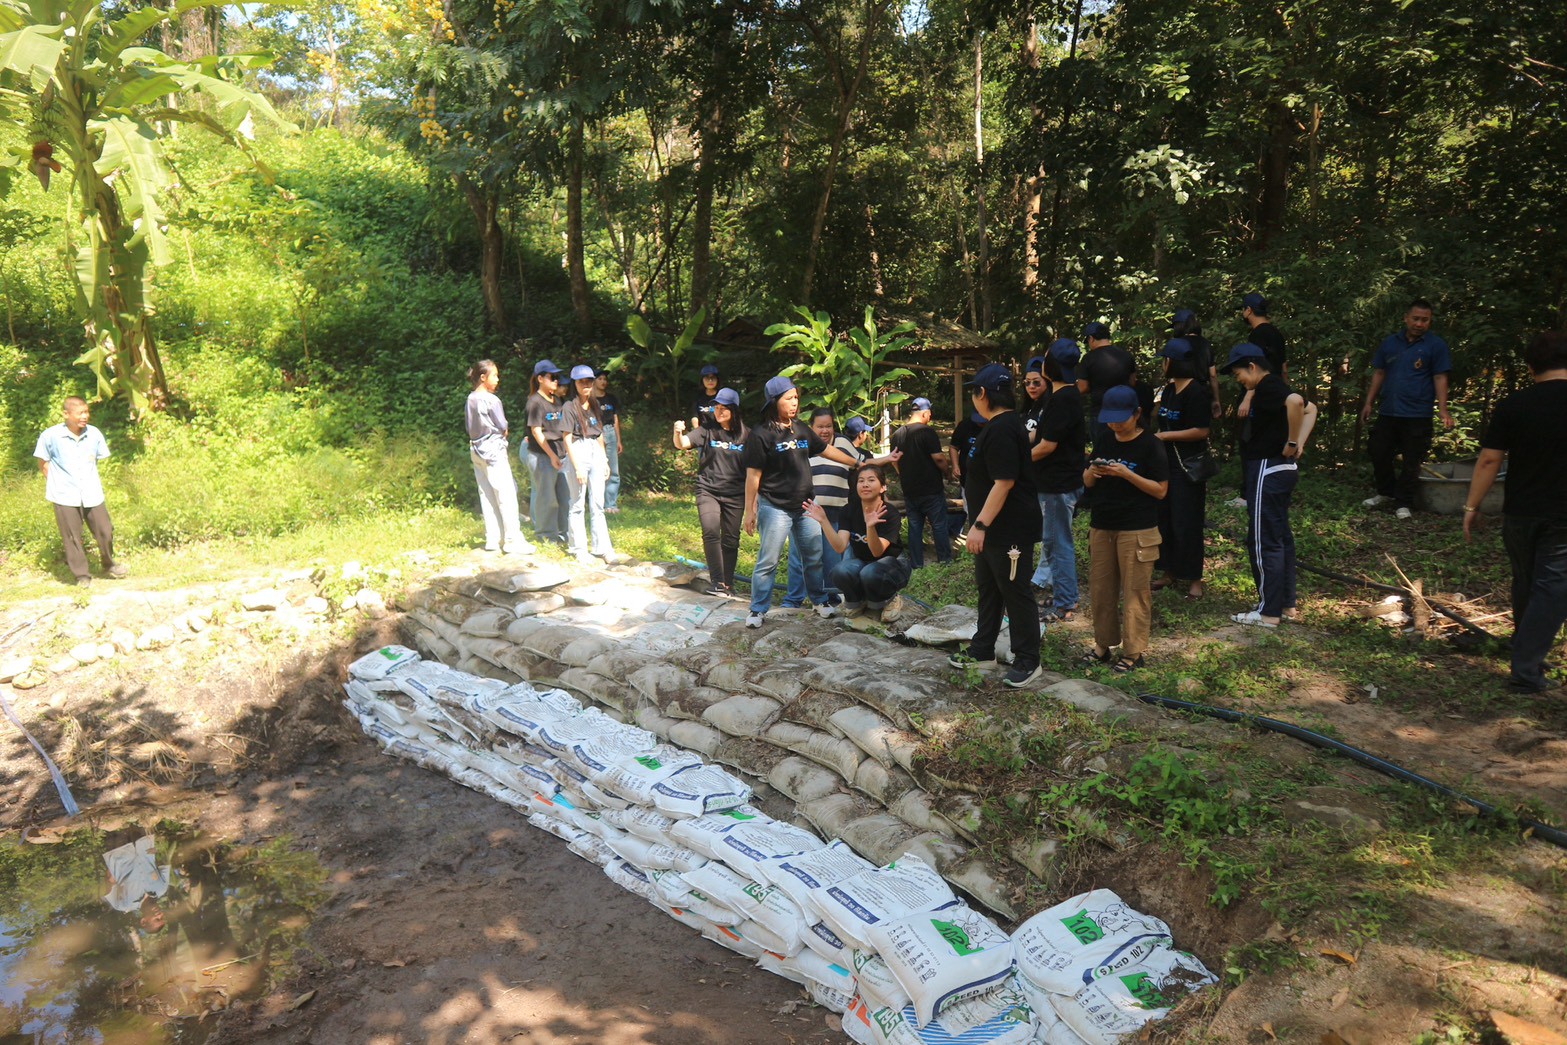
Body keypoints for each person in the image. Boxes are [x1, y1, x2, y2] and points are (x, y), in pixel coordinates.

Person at [1462, 331, 1567, 694]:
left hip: (1521, 510)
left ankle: (1525, 651)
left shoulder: (1514, 404)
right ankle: (1525, 668)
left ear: (1530, 367)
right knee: (1553, 588)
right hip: (1562, 514)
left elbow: (1489, 460)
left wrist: (1472, 506)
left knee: (1526, 581)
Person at [948, 364, 1044, 688]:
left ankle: (1028, 659)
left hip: (1008, 530)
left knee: (1015, 592)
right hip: (991, 530)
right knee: (989, 589)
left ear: (983, 394)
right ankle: (982, 650)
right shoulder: (997, 426)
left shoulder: (1003, 428)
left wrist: (980, 524)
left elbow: (1004, 482)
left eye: (974, 391)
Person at [742, 377, 859, 627]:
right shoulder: (760, 434)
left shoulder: (801, 428)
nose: (795, 402)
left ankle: (819, 601)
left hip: (806, 506)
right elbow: (753, 476)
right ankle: (757, 609)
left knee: (814, 557)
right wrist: (749, 510)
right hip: (775, 507)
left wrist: (856, 462)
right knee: (769, 560)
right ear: (774, 401)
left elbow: (826, 449)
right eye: (789, 398)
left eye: (796, 397)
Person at [1223, 343, 1318, 627]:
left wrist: (1293, 441)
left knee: (1264, 540)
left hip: (1268, 468)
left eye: (1239, 373)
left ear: (1252, 367)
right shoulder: (1271, 387)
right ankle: (1285, 604)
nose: (1239, 379)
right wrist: (1298, 443)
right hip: (1281, 468)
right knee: (1280, 537)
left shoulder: (1267, 387)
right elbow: (1311, 409)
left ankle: (1268, 613)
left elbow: (1297, 403)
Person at [1080, 385, 1169, 673]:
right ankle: (1102, 645)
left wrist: (1127, 474)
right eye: (1110, 419)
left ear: (1137, 413)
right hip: (1102, 525)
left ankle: (1133, 653)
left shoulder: (1151, 445)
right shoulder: (1105, 438)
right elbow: (1087, 481)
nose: (1115, 425)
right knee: (1101, 590)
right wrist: (1093, 472)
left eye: (1121, 419)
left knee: (1135, 592)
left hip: (1137, 528)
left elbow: (1160, 490)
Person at [1360, 299, 1454, 520]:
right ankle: (1385, 492)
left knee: (1412, 460)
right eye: (1416, 319)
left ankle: (1403, 502)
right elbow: (1379, 373)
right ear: (1406, 318)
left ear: (1430, 321)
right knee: (1378, 450)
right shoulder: (1390, 343)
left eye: (1425, 320)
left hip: (1417, 413)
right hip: (1389, 411)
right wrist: (1368, 402)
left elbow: (1440, 377)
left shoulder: (1435, 345)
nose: (1419, 324)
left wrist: (1443, 409)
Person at [35, 396, 128, 587]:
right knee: (72, 537)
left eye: (86, 412)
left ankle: (109, 564)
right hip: (64, 495)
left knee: (105, 530)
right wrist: (58, 483)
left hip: (91, 492)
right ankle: (82, 575)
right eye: (80, 413)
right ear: (66, 414)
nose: (84, 416)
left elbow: (97, 459)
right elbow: (43, 463)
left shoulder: (94, 434)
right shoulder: (50, 436)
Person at [807, 463, 911, 620]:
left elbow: (877, 552)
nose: (865, 484)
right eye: (861, 481)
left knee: (869, 573)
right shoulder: (849, 510)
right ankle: (859, 601)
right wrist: (823, 521)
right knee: (839, 571)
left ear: (883, 487)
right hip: (864, 562)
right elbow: (840, 547)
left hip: (893, 564)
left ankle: (891, 599)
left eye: (871, 480)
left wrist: (870, 526)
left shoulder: (890, 513)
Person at [784, 408, 864, 608]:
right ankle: (793, 600)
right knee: (799, 557)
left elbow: (862, 465)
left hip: (836, 511)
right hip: (806, 509)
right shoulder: (801, 443)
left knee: (832, 558)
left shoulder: (843, 443)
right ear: (811, 428)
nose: (825, 430)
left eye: (829, 426)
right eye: (820, 426)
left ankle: (831, 599)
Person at [1031, 339, 1086, 622]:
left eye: (1046, 358)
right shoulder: (1060, 395)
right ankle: (1063, 594)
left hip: (1058, 484)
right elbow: (1041, 435)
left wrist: (1017, 461)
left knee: (1057, 542)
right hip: (1057, 481)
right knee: (1054, 541)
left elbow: (1046, 446)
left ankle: (1065, 602)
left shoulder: (1063, 398)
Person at [674, 388, 748, 598]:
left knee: (731, 539)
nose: (719, 411)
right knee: (711, 531)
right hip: (708, 490)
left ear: (734, 410)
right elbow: (682, 444)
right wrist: (677, 432)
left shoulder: (747, 435)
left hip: (735, 494)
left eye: (724, 408)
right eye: (717, 407)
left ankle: (728, 583)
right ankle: (717, 582)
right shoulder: (707, 429)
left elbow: (755, 469)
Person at [1152, 339, 1212, 599]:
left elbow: (1201, 430)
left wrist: (1166, 437)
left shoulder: (1197, 392)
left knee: (1187, 520)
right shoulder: (1169, 390)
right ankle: (1169, 571)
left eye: (1165, 359)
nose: (1163, 364)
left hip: (1188, 466)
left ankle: (1194, 578)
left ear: (1173, 362)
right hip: (1165, 463)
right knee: (1164, 518)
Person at [465, 360, 534, 556]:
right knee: (506, 495)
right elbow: (503, 426)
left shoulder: (470, 398)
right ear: (483, 377)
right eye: (494, 375)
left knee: (486, 494)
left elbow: (469, 427)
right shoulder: (492, 400)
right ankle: (512, 540)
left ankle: (493, 539)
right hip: (494, 452)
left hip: (476, 450)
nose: (497, 379)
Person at [562, 364, 620, 564]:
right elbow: (567, 438)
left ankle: (602, 547)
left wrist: (604, 460)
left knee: (598, 503)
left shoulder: (595, 404)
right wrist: (577, 466)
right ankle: (579, 548)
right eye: (581, 382)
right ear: (575, 384)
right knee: (577, 503)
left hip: (595, 450)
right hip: (577, 449)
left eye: (589, 381)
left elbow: (599, 434)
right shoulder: (569, 407)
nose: (586, 385)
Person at [893, 397, 953, 569]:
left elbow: (894, 460)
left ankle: (916, 564)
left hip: (910, 489)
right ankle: (945, 561)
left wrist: (903, 474)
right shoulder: (927, 432)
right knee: (939, 525)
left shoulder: (898, 434)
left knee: (915, 527)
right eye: (930, 414)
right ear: (925, 413)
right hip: (931, 489)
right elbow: (939, 458)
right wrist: (947, 473)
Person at [525, 359, 570, 544]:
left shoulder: (556, 400)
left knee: (564, 497)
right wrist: (551, 456)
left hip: (560, 455)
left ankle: (563, 533)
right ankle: (546, 535)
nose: (556, 381)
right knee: (547, 498)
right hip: (543, 456)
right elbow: (536, 432)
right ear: (540, 378)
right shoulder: (535, 402)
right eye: (552, 377)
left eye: (557, 377)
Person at [1075, 321, 1137, 442]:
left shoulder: (1088, 358)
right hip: (1126, 411)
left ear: (1091, 338)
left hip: (1101, 412)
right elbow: (1132, 382)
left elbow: (1083, 387)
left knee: (1102, 447)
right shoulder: (1126, 355)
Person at [1237, 292, 1287, 419]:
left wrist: (1247, 398)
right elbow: (1284, 368)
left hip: (1260, 395)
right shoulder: (1277, 333)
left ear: (1249, 310)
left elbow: (1256, 368)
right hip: (1276, 392)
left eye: (1243, 309)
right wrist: (1285, 393)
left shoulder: (1257, 334)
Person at [1171, 308, 1222, 419]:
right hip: (1202, 393)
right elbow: (1213, 375)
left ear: (1179, 326)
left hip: (1181, 393)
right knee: (1200, 425)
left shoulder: (1176, 345)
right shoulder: (1205, 344)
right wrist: (1216, 399)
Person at [593, 368, 624, 514]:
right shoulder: (590, 399)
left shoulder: (611, 398)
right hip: (595, 434)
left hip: (610, 431)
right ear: (593, 381)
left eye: (605, 379)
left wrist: (618, 440)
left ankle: (611, 504)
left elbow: (616, 419)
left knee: (613, 469)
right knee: (597, 468)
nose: (603, 382)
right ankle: (597, 503)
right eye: (600, 379)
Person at [692, 364, 722, 432]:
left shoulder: (723, 397)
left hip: (720, 432)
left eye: (713, 378)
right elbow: (695, 417)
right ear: (702, 380)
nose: (710, 380)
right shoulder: (698, 397)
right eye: (707, 378)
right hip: (702, 431)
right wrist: (697, 432)